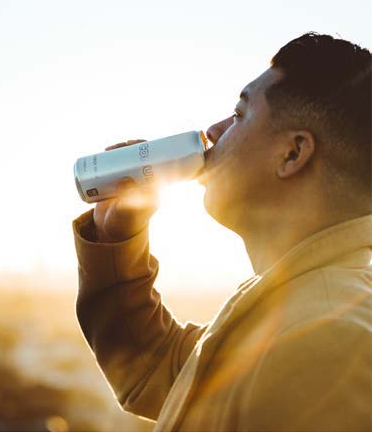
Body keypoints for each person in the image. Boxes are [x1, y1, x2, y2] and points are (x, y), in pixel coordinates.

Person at [72, 32, 372, 432]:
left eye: (239, 114)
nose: (213, 130)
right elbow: (156, 370)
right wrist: (117, 237)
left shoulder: (327, 342)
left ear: (293, 153)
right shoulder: (298, 306)